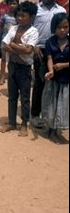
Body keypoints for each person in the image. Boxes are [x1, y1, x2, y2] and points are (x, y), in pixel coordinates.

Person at [31, 0, 66, 128]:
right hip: (40, 50)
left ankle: (53, 114)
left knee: (56, 83)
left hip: (57, 49)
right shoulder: (35, 9)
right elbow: (29, 30)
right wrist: (33, 46)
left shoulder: (61, 11)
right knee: (40, 82)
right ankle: (35, 114)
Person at [0, 1, 39, 136]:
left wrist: (14, 46)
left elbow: (28, 51)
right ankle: (11, 122)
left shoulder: (33, 31)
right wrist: (19, 48)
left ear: (32, 17)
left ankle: (24, 124)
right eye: (19, 15)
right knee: (12, 96)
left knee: (25, 97)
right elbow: (4, 45)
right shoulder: (13, 28)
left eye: (24, 16)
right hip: (13, 66)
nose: (20, 18)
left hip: (25, 68)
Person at [41, 13, 69, 143]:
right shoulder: (49, 42)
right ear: (54, 28)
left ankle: (57, 130)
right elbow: (49, 58)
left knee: (63, 105)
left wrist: (64, 65)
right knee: (51, 104)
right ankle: (50, 129)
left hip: (66, 80)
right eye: (59, 27)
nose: (62, 30)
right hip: (53, 79)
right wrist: (51, 71)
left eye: (65, 27)